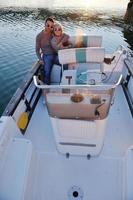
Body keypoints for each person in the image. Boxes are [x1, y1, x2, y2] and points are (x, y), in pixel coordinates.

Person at [36, 17, 56, 85]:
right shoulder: (39, 36)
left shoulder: (53, 33)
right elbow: (37, 50)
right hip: (47, 56)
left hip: (56, 55)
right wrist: (40, 59)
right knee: (47, 71)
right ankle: (47, 87)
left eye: (51, 26)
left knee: (66, 62)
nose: (49, 28)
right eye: (47, 25)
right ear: (44, 24)